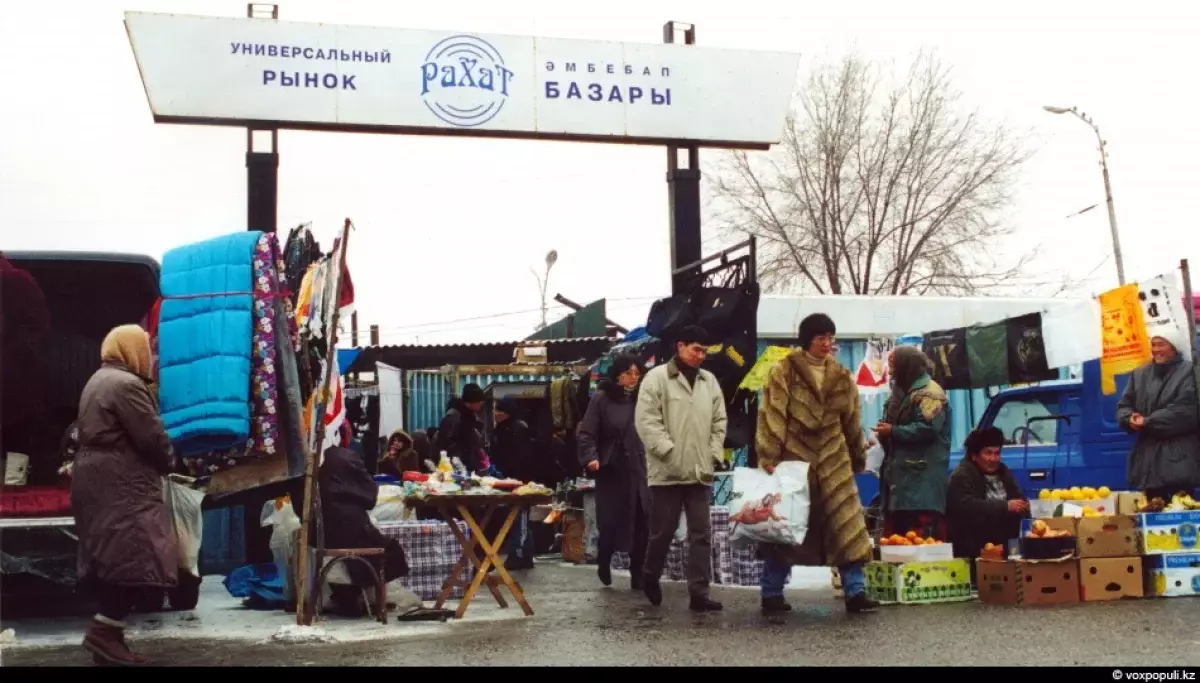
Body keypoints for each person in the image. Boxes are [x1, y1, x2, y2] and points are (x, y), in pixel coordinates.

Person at [755, 313, 877, 615]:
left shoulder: (841, 374)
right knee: (785, 527)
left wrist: (857, 456)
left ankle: (856, 592)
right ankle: (771, 592)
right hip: (795, 460)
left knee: (847, 525)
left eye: (830, 338)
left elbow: (852, 420)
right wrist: (769, 455)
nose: (827, 343)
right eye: (821, 337)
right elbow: (772, 415)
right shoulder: (784, 371)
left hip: (834, 460)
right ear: (807, 339)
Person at [71, 325, 176, 666]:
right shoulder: (126, 384)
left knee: (116, 558)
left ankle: (111, 638)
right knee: (135, 557)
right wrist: (170, 461)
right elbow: (151, 435)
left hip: (101, 479)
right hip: (123, 482)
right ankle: (104, 630)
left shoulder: (98, 380)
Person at [635, 325, 728, 612]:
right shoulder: (656, 378)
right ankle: (650, 574)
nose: (701, 356)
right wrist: (668, 452)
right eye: (696, 349)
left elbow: (719, 421)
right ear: (680, 346)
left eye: (704, 351)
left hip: (700, 471)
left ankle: (699, 592)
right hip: (668, 472)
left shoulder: (709, 381)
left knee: (701, 534)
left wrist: (713, 452)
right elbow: (646, 421)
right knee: (663, 532)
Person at [320, 422, 410, 616]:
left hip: (320, 532)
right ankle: (371, 602)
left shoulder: (310, 460)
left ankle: (348, 597)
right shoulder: (345, 457)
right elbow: (370, 497)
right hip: (349, 530)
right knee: (389, 549)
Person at [578, 355, 651, 590]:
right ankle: (604, 556)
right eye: (629, 373)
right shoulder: (602, 398)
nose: (633, 378)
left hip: (639, 467)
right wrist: (591, 457)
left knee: (641, 520)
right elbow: (587, 432)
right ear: (618, 374)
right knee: (611, 521)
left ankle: (637, 571)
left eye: (637, 373)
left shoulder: (644, 399)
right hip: (612, 468)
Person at [874, 346, 952, 542]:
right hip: (899, 484)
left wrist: (893, 431)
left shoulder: (930, 393)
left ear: (906, 365)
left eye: (893, 366)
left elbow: (928, 428)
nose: (890, 371)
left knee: (922, 543)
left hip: (921, 485)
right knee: (897, 544)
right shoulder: (900, 393)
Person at [1117, 329, 1200, 500]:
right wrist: (1128, 418)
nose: (1155, 350)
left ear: (1174, 347)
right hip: (1147, 463)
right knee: (1152, 511)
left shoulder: (1191, 372)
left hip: (1179, 463)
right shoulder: (1140, 373)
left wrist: (1147, 422)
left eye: (1161, 344)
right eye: (1153, 345)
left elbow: (1185, 411)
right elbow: (1123, 405)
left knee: (1179, 511)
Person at [947, 427, 1029, 580]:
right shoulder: (962, 475)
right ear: (974, 455)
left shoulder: (1003, 472)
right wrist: (1005, 506)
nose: (993, 458)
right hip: (973, 544)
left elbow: (1017, 497)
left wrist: (1023, 506)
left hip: (1004, 542)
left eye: (997, 453)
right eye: (988, 453)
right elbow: (966, 506)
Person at [492, 398, 536, 570]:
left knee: (520, 517)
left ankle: (518, 554)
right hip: (507, 481)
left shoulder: (518, 429)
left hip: (519, 482)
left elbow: (522, 457)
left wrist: (516, 478)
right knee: (514, 517)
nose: (495, 414)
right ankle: (523, 554)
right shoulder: (500, 430)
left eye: (499, 411)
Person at [435, 383, 487, 473]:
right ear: (472, 401)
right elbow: (447, 444)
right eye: (480, 400)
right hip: (456, 469)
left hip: (467, 467)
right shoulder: (454, 417)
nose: (482, 403)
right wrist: (460, 465)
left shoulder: (469, 416)